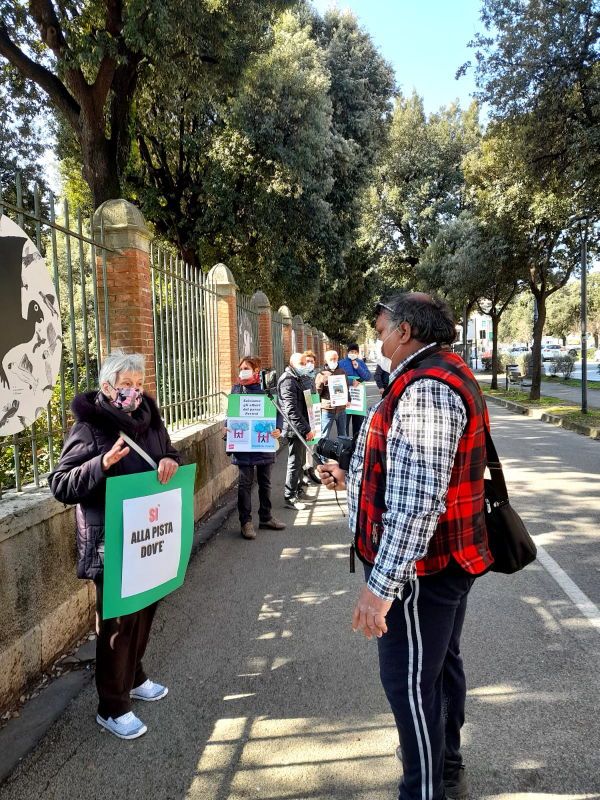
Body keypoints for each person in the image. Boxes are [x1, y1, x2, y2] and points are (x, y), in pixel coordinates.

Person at [319, 294, 493, 800]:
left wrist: (380, 588)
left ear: (407, 331)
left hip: (426, 569)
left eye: (381, 330)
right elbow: (409, 471)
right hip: (441, 562)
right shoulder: (437, 374)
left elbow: (417, 504)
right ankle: (446, 767)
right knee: (437, 671)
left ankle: (424, 788)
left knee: (412, 685)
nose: (378, 340)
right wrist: (351, 478)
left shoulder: (427, 388)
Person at [48, 351, 182, 741]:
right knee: (117, 621)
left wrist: (170, 462)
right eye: (126, 385)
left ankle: (135, 675)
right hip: (110, 538)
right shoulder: (90, 429)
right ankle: (112, 705)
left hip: (149, 538)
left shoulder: (150, 421)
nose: (134, 392)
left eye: (139, 385)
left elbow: (169, 453)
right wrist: (101, 464)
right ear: (107, 387)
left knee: (146, 609)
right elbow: (61, 484)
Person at [227, 356, 286, 540]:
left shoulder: (266, 390)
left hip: (263, 444)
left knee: (265, 483)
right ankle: (246, 522)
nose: (242, 370)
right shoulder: (236, 390)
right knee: (244, 485)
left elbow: (278, 412)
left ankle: (266, 517)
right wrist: (226, 426)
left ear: (256, 370)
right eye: (241, 367)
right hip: (244, 446)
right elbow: (230, 414)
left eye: (246, 367)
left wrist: (278, 429)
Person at [277, 352, 315, 510]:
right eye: (302, 362)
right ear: (292, 363)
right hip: (295, 428)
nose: (305, 365)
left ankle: (298, 490)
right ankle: (290, 496)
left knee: (299, 461)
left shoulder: (297, 378)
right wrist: (305, 428)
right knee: (294, 462)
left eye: (306, 362)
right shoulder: (287, 380)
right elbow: (291, 409)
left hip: (300, 426)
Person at [339, 343, 372, 441]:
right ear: (348, 352)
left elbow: (368, 376)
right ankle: (344, 444)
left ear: (357, 353)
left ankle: (357, 444)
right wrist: (350, 381)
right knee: (344, 424)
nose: (353, 353)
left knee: (358, 424)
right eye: (351, 351)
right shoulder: (341, 363)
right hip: (346, 398)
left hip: (358, 399)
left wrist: (358, 368)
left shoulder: (360, 362)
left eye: (355, 352)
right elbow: (338, 377)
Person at [315, 349, 349, 439]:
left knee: (343, 436)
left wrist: (348, 399)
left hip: (341, 409)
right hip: (327, 410)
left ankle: (341, 452)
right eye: (331, 359)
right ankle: (321, 453)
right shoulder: (321, 374)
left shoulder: (342, 372)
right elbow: (317, 392)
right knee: (324, 435)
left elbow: (346, 388)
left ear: (338, 358)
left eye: (335, 359)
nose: (334, 361)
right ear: (326, 360)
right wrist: (321, 383)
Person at [301, 349, 321, 486]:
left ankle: (310, 468)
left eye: (311, 362)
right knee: (303, 445)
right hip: (304, 414)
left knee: (312, 443)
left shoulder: (314, 376)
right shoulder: (301, 377)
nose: (309, 364)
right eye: (307, 361)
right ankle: (304, 472)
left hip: (314, 411)